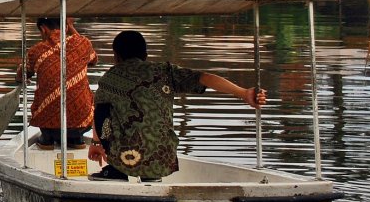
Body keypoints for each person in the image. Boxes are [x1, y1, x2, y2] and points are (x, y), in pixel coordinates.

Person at [88, 30, 267, 181]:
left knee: (103, 107)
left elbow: (98, 114)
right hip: (164, 158)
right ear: (145, 55)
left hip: (126, 158)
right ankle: (151, 175)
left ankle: (116, 171)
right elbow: (204, 78)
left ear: (116, 56)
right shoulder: (165, 71)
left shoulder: (109, 79)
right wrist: (244, 93)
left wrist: (96, 142)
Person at [22, 17, 95, 149]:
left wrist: (23, 78)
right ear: (66, 27)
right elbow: (93, 60)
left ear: (43, 29)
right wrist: (71, 28)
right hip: (82, 124)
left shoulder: (36, 51)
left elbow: (21, 74)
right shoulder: (84, 43)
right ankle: (76, 140)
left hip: (49, 127)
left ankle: (47, 140)